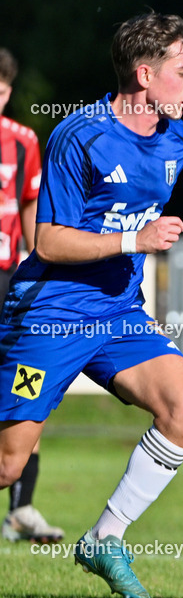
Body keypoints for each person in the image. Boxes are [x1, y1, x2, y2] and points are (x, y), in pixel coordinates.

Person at [0, 12, 183, 598]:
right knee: (9, 467)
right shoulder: (79, 135)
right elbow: (49, 241)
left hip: (118, 314)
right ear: (146, 74)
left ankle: (105, 537)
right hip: (51, 314)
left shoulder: (178, 139)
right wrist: (133, 241)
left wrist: (136, 243)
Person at [0, 48, 64, 544]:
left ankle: (21, 508)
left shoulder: (23, 141)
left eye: (3, 88)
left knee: (29, 384)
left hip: (8, 281)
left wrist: (34, 270)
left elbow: (30, 213)